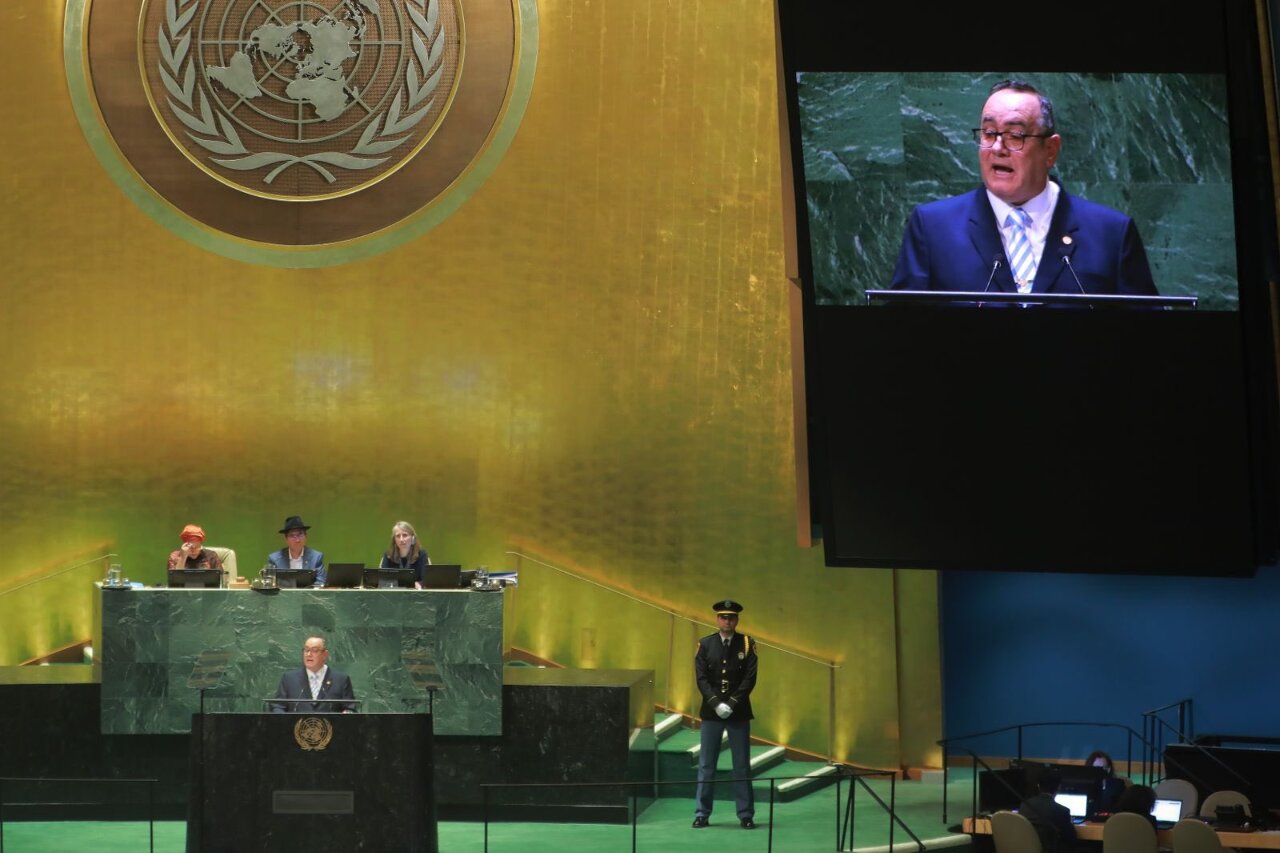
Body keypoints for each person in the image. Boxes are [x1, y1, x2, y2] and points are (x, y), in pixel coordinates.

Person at [890, 79, 1157, 298]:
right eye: (988, 133)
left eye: (1015, 136)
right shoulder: (933, 227)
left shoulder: (1112, 233)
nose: (997, 148)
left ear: (1050, 151)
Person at [692, 599, 758, 830]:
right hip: (712, 713)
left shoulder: (747, 644)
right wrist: (715, 703)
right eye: (723, 617)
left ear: (737, 620)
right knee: (707, 765)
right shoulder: (705, 644)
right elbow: (701, 678)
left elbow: (749, 678)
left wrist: (730, 703)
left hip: (738, 712)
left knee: (741, 765)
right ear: (717, 619)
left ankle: (745, 814)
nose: (727, 620)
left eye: (731, 617)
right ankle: (702, 813)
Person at [270, 635, 357, 713]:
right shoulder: (289, 679)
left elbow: (350, 708)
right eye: (306, 650)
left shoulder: (341, 680)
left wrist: (348, 713)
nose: (308, 654)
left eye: (314, 650)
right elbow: (278, 707)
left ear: (325, 654)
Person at [1018, 767, 1077, 853]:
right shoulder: (1062, 811)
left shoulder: (1024, 805)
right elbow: (1071, 839)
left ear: (1038, 786)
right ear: (1059, 787)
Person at [267, 515, 326, 586]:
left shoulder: (316, 557)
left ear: (306, 537)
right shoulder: (274, 559)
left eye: (300, 534)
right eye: (292, 536)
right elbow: (270, 583)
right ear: (286, 539)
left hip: (309, 596)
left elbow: (321, 582)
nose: (297, 540)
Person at [379, 520, 431, 588]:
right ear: (394, 540)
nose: (401, 539)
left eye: (405, 535)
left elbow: (426, 580)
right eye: (398, 536)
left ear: (413, 538)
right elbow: (383, 581)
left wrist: (419, 584)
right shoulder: (388, 555)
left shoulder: (421, 554)